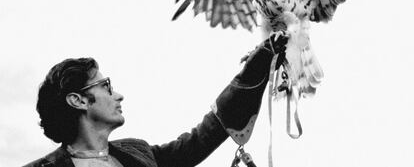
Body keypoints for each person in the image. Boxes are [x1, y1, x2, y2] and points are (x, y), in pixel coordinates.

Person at [24, 34, 287, 167]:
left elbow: (200, 139)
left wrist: (256, 68)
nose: (118, 94)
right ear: (78, 100)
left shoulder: (138, 154)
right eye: (106, 86)